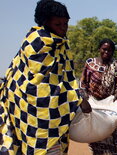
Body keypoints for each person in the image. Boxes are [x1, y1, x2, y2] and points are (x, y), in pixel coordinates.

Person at [0, 0, 90, 154]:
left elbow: (66, 77)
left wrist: (78, 97)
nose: (63, 28)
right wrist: (78, 100)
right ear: (45, 23)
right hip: (32, 108)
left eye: (66, 23)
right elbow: (40, 84)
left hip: (55, 108)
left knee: (53, 146)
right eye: (58, 24)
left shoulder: (62, 44)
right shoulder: (37, 41)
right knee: (38, 145)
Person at [80, 38, 117, 155]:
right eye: (104, 49)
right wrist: (85, 100)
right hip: (93, 105)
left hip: (109, 106)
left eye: (110, 50)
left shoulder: (116, 65)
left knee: (112, 133)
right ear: (99, 49)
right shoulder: (90, 63)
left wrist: (116, 98)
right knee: (95, 133)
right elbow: (83, 84)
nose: (106, 52)